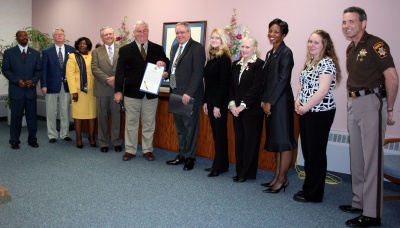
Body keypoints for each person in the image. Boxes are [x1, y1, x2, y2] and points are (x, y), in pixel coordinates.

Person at [339, 6, 398, 227]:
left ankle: (372, 214)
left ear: (363, 23)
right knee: (357, 156)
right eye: (344, 22)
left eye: (351, 22)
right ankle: (359, 201)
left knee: (372, 159)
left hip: (372, 103)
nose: (346, 26)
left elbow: (391, 76)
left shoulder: (376, 44)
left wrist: (389, 108)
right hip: (353, 102)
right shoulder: (351, 48)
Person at [293, 30, 342, 203]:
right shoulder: (310, 61)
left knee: (316, 153)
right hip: (306, 111)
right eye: (310, 41)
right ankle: (308, 188)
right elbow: (304, 86)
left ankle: (314, 194)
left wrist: (305, 107)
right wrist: (297, 101)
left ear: (324, 45)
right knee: (308, 152)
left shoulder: (327, 63)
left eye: (316, 42)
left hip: (320, 113)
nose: (311, 45)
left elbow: (322, 91)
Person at [114, 21, 169, 161]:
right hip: (132, 93)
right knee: (131, 122)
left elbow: (166, 62)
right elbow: (120, 72)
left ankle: (147, 150)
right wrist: (118, 91)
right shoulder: (125, 50)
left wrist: (164, 65)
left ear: (148, 32)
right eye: (139, 31)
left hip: (150, 94)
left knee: (149, 123)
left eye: (144, 30)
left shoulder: (157, 48)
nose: (142, 33)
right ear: (134, 33)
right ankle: (130, 150)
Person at [261, 18, 297, 193]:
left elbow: (283, 80)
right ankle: (276, 176)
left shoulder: (286, 53)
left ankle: (282, 179)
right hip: (270, 101)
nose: (272, 34)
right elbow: (267, 81)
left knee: (284, 142)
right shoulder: (270, 53)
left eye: (276, 32)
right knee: (276, 141)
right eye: (270, 31)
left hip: (281, 102)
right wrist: (263, 99)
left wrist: (270, 102)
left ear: (283, 34)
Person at [165, 22, 206, 171]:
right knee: (180, 128)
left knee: (190, 128)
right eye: (177, 33)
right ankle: (182, 154)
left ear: (189, 33)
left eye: (182, 32)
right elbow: (174, 68)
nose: (180, 35)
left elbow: (197, 73)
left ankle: (190, 158)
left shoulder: (197, 48)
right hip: (175, 94)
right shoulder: (175, 47)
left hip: (189, 96)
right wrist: (166, 73)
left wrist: (189, 92)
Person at [229, 36, 265, 182]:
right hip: (236, 110)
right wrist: (232, 105)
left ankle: (247, 173)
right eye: (242, 47)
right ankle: (239, 171)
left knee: (250, 142)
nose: (244, 50)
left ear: (254, 49)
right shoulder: (236, 64)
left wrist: (242, 106)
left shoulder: (259, 64)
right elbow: (231, 86)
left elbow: (256, 89)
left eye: (247, 47)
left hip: (251, 110)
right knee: (240, 141)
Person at [2, 30, 41, 149]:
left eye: (25, 35)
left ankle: (32, 139)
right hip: (16, 91)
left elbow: (38, 71)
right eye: (21, 36)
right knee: (15, 118)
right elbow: (6, 69)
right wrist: (17, 80)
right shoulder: (9, 52)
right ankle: (14, 141)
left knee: (32, 117)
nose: (24, 37)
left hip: (30, 91)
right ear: (17, 38)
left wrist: (33, 80)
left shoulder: (34, 53)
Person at [203, 28, 232, 177]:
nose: (214, 40)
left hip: (219, 102)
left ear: (222, 41)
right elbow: (207, 82)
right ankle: (222, 164)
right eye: (212, 38)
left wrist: (217, 105)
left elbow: (224, 84)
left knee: (220, 135)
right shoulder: (211, 57)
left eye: (217, 38)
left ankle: (219, 166)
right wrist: (206, 101)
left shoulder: (225, 58)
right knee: (216, 134)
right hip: (211, 100)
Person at [41, 28, 75, 143]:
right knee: (51, 111)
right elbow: (43, 69)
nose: (59, 36)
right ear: (53, 37)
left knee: (65, 111)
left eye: (61, 34)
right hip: (51, 85)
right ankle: (52, 135)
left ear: (64, 36)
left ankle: (64, 134)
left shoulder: (72, 50)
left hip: (66, 85)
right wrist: (43, 85)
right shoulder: (47, 51)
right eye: (57, 34)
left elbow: (74, 69)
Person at [92, 26, 123, 153]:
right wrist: (107, 79)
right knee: (102, 117)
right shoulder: (96, 52)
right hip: (102, 88)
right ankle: (103, 142)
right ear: (101, 37)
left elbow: (125, 67)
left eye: (110, 34)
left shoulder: (122, 50)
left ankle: (116, 142)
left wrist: (116, 78)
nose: (109, 36)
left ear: (114, 35)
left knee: (116, 117)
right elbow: (94, 68)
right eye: (106, 35)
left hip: (117, 89)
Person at [66, 37, 97, 149]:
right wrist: (74, 91)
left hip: (92, 91)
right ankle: (78, 138)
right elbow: (69, 75)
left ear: (88, 45)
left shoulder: (93, 56)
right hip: (78, 91)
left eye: (84, 44)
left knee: (92, 116)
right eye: (80, 43)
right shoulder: (73, 57)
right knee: (78, 116)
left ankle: (91, 137)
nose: (82, 45)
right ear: (77, 45)